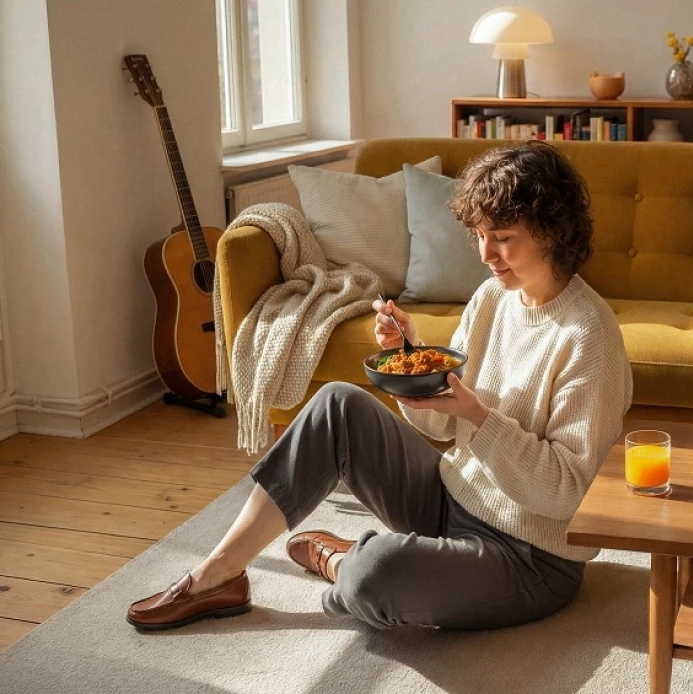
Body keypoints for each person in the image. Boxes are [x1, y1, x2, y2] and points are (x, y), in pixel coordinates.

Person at [127, 141, 634, 631]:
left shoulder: (589, 337)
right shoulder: (492, 300)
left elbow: (570, 495)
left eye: (502, 237)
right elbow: (438, 424)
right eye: (478, 234)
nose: (486, 253)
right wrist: (410, 360)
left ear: (551, 231)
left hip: (530, 556)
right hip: (452, 498)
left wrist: (479, 417)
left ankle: (347, 561)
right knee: (337, 405)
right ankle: (218, 575)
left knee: (378, 573)